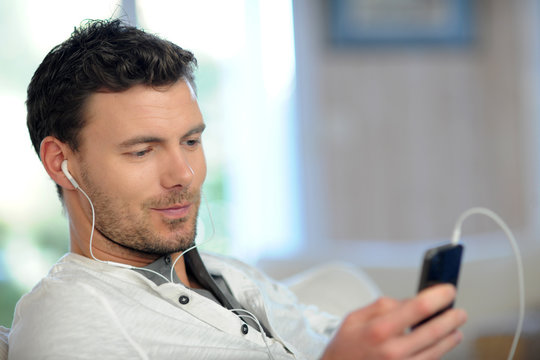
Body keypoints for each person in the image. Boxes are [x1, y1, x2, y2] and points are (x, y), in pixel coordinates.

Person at [8, 18, 467, 359]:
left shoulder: (231, 276)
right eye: (142, 151)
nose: (183, 174)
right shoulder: (70, 321)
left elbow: (329, 336)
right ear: (61, 163)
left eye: (191, 141)